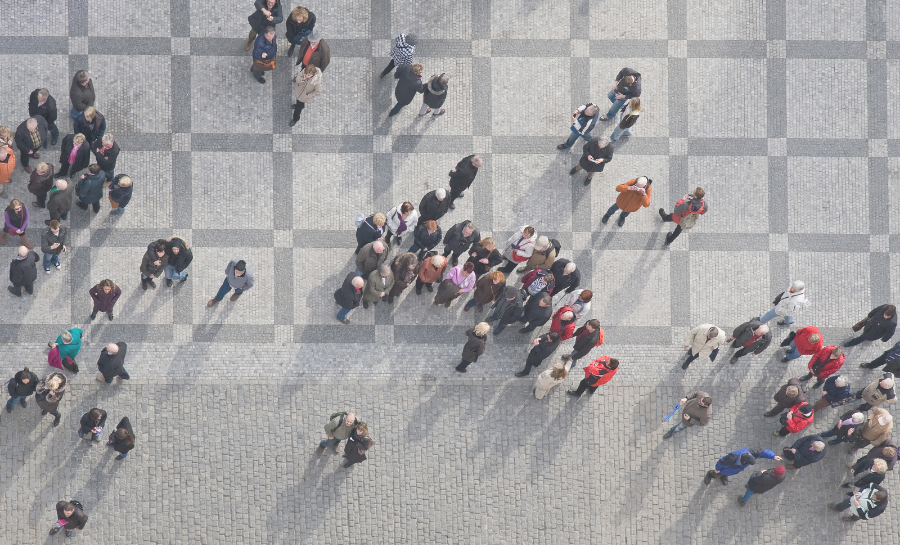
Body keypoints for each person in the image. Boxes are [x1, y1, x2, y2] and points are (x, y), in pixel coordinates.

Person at [703, 447, 780, 486]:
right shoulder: (732, 458)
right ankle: (710, 474)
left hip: (731, 471)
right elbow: (721, 462)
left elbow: (763, 452)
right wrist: (717, 469)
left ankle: (724, 476)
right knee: (717, 473)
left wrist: (773, 456)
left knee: (726, 473)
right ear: (744, 462)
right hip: (725, 469)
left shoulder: (751, 453)